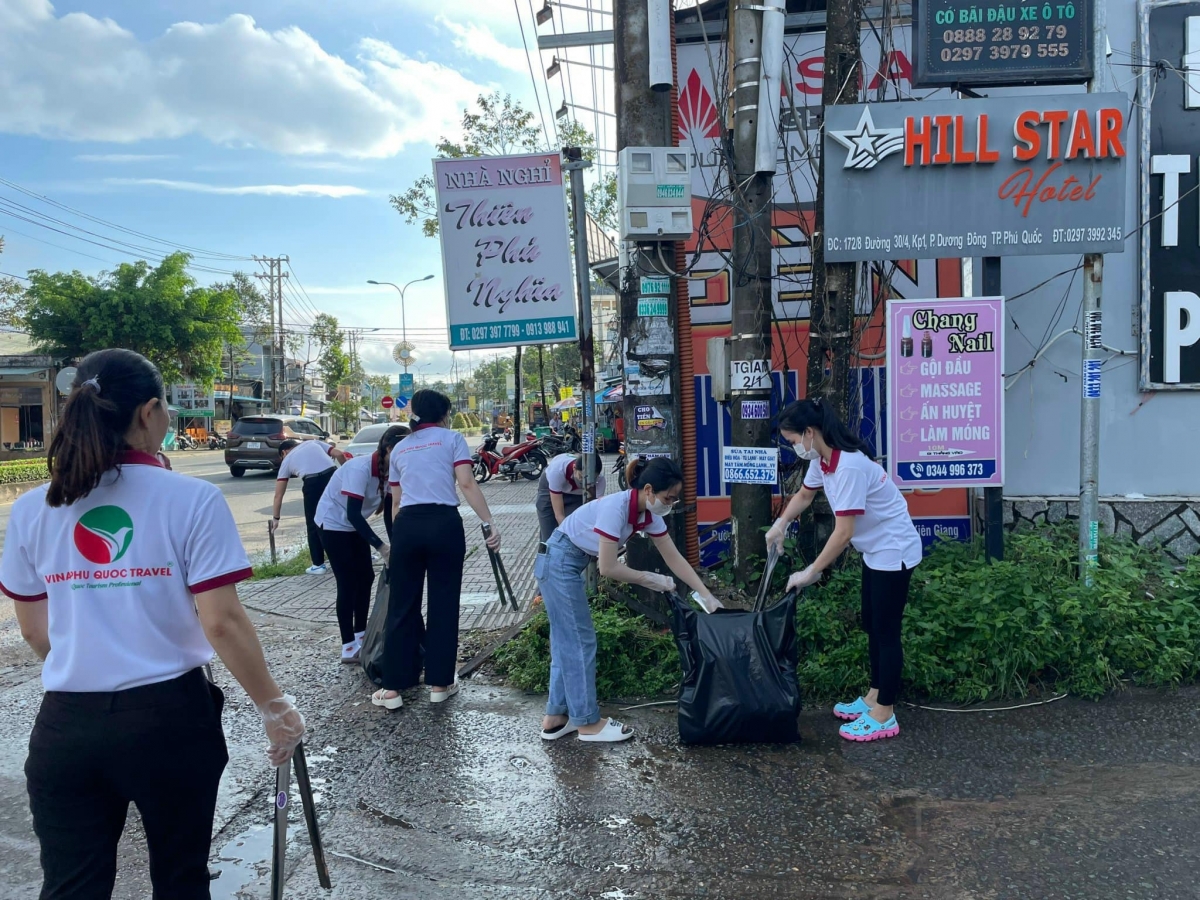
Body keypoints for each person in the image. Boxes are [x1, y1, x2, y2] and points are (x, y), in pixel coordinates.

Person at [1, 349, 305, 899]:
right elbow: (222, 623)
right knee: (180, 877)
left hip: (66, 727)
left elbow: (34, 631)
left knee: (72, 886)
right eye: (164, 408)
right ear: (148, 413)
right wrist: (274, 707)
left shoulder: (32, 508)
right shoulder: (189, 498)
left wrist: (90, 662)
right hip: (169, 721)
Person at [767, 398, 923, 743]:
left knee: (886, 630)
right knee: (871, 622)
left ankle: (885, 713)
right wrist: (780, 524)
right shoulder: (823, 461)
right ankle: (873, 695)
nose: (794, 448)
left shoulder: (849, 466)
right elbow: (805, 497)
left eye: (793, 441)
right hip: (875, 551)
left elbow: (844, 532)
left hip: (893, 549)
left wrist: (812, 571)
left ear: (809, 433)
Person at [536, 457, 721, 742]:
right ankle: (588, 724)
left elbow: (674, 558)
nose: (670, 504)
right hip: (559, 563)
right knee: (580, 641)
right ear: (648, 490)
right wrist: (651, 579)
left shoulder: (648, 515)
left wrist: (706, 595)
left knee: (566, 641)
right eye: (668, 497)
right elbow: (607, 568)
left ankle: (556, 718)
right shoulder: (616, 507)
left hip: (563, 563)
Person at [372, 390, 500, 710]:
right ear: (444, 415)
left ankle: (392, 689)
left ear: (415, 412)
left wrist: (396, 540)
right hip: (444, 523)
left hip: (408, 526)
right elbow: (467, 484)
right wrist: (488, 523)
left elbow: (396, 502)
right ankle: (440, 684)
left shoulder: (400, 447)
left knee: (403, 604)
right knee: (444, 602)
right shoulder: (452, 439)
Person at [315, 425, 406, 664]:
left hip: (353, 526)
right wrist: (381, 547)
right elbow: (352, 514)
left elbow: (389, 511)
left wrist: (395, 543)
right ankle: (347, 646)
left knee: (366, 577)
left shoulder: (390, 470)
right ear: (388, 449)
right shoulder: (360, 468)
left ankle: (361, 633)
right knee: (347, 582)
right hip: (333, 524)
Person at [271, 437, 346, 575]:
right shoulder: (313, 442)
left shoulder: (287, 460)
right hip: (333, 475)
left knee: (313, 523)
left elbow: (278, 495)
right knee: (344, 514)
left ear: (284, 452)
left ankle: (318, 564)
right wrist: (345, 475)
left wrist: (276, 518)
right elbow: (339, 454)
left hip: (312, 483)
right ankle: (356, 552)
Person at [535, 451, 605, 542]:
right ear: (574, 468)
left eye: (590, 479)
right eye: (581, 476)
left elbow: (595, 511)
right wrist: (568, 538)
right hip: (550, 489)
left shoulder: (599, 480)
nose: (584, 481)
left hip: (576, 496)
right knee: (548, 531)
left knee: (576, 525)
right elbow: (559, 514)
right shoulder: (557, 471)